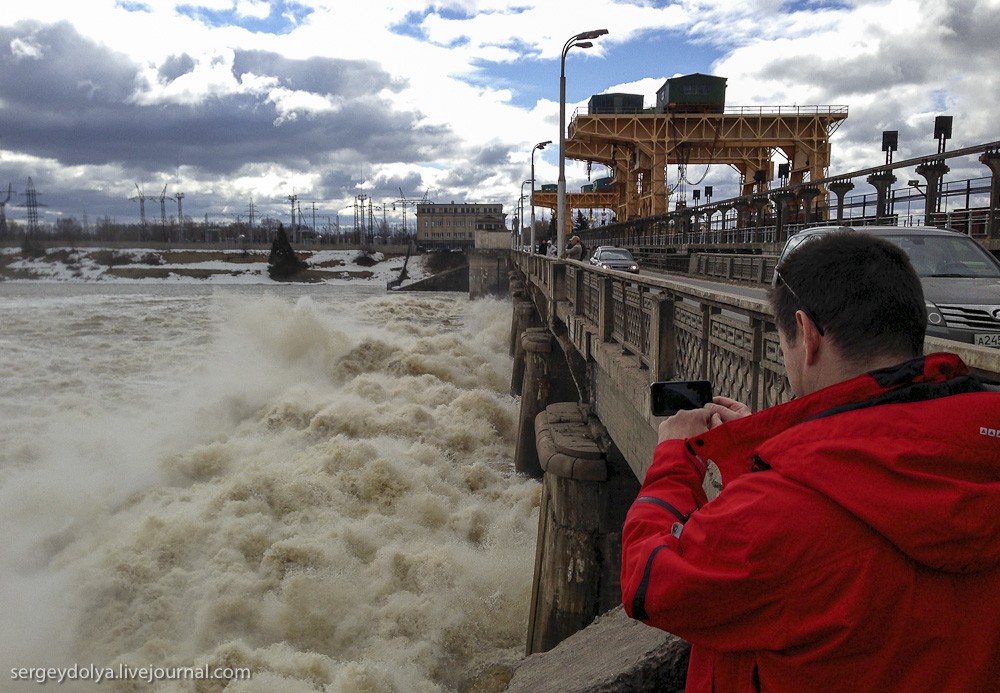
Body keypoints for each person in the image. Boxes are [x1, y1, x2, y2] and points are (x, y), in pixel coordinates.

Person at [620, 230, 1000, 692]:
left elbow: (650, 581)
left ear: (807, 333)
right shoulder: (979, 445)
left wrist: (673, 460)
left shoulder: (780, 516)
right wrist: (762, 454)